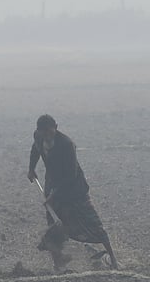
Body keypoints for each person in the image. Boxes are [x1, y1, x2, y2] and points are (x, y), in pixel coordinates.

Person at [27, 114, 118, 270]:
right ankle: (58, 262)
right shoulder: (38, 137)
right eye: (44, 132)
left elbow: (71, 174)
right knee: (54, 225)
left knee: (93, 222)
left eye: (50, 131)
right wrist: (31, 168)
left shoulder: (66, 145)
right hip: (52, 184)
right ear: (39, 131)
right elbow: (35, 149)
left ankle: (114, 260)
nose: (47, 135)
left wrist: (53, 195)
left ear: (56, 127)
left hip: (74, 189)